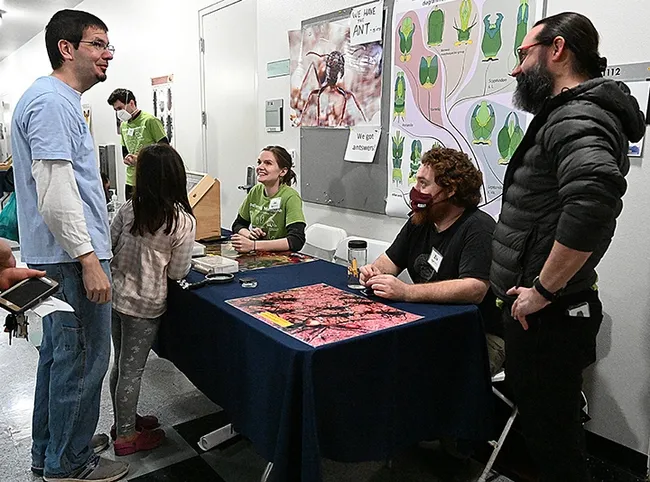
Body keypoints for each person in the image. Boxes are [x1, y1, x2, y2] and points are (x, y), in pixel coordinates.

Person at [490, 12, 646, 482]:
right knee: (544, 431)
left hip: (549, 316)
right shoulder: (569, 113)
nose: (516, 68)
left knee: (554, 442)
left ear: (557, 50)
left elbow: (594, 201)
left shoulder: (579, 114)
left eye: (523, 53)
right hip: (540, 314)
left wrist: (543, 289)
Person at [11, 9, 129, 482]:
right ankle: (70, 463)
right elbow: (56, 193)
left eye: (108, 45)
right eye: (98, 44)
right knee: (83, 362)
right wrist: (89, 260)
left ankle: (53, 450)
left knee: (60, 361)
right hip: (69, 259)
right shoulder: (54, 103)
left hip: (57, 255)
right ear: (67, 48)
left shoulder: (52, 100)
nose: (108, 54)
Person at [360, 146, 504, 376]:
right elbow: (388, 263)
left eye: (423, 184)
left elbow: (475, 288)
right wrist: (373, 273)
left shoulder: (478, 227)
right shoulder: (420, 221)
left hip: (478, 335)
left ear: (450, 190)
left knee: (422, 374)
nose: (415, 190)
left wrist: (406, 292)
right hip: (427, 325)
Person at [109, 144, 195, 455]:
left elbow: (110, 243)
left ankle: (124, 421)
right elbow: (177, 272)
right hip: (145, 305)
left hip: (117, 296)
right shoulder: (181, 221)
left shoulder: (130, 207)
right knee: (132, 370)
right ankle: (126, 438)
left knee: (121, 364)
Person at [231, 146, 306, 253]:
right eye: (259, 162)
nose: (260, 167)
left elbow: (296, 241)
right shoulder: (256, 191)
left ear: (283, 171)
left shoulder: (291, 197)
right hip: (260, 254)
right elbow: (238, 225)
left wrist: (254, 245)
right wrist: (250, 234)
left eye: (268, 163)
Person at [106, 88, 168, 200]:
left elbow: (165, 150)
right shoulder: (124, 125)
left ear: (131, 103)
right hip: (131, 180)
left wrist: (141, 158)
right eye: (115, 110)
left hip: (150, 179)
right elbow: (124, 150)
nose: (118, 113)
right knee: (130, 215)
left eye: (120, 108)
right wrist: (127, 158)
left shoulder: (150, 121)